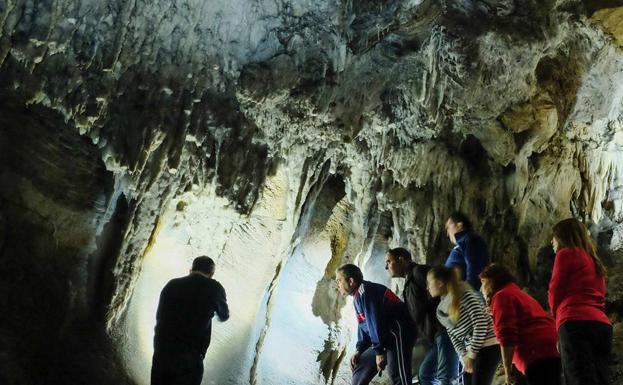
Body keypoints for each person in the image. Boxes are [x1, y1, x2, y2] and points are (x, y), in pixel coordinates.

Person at [549, 218, 612, 385]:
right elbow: (601, 297)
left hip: (574, 322)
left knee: (580, 378)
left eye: (554, 236)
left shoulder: (565, 254)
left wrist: (557, 328)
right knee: (601, 379)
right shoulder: (594, 261)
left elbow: (555, 292)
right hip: (601, 325)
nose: (551, 241)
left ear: (563, 236)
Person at [385, 247, 460, 385]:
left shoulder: (418, 272)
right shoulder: (410, 281)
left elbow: (444, 290)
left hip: (445, 330)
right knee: (426, 374)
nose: (386, 267)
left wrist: (446, 319)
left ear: (401, 259)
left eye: (389, 261)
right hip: (435, 335)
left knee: (445, 376)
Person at [151, 256, 229, 385]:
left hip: (162, 349)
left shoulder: (172, 284)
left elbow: (160, 316)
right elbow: (224, 315)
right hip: (190, 355)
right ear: (211, 274)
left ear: (190, 269)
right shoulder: (214, 288)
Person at [479, 263, 560, 385]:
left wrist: (507, 370)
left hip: (536, 352)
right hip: (550, 348)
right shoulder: (515, 293)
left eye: (483, 282)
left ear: (491, 281)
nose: (481, 288)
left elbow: (507, 335)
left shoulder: (502, 296)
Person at [336, 263, 414, 385]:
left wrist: (379, 352)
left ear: (351, 281)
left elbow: (374, 322)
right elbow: (364, 326)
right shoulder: (357, 296)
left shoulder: (366, 291)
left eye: (339, 280)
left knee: (397, 375)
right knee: (360, 366)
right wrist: (359, 350)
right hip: (384, 337)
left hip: (397, 332)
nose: (338, 285)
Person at [427, 266, 500, 385]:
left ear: (440, 283)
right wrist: (464, 356)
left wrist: (471, 356)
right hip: (471, 351)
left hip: (488, 346)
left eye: (429, 282)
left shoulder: (465, 295)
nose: (427, 287)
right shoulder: (442, 309)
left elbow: (480, 323)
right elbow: (453, 335)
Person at [444, 212, 490, 291]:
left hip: (465, 293)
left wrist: (469, 290)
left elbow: (474, 267)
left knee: (417, 272)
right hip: (454, 290)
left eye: (448, 227)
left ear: (459, 225)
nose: (448, 234)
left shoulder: (470, 239)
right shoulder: (463, 242)